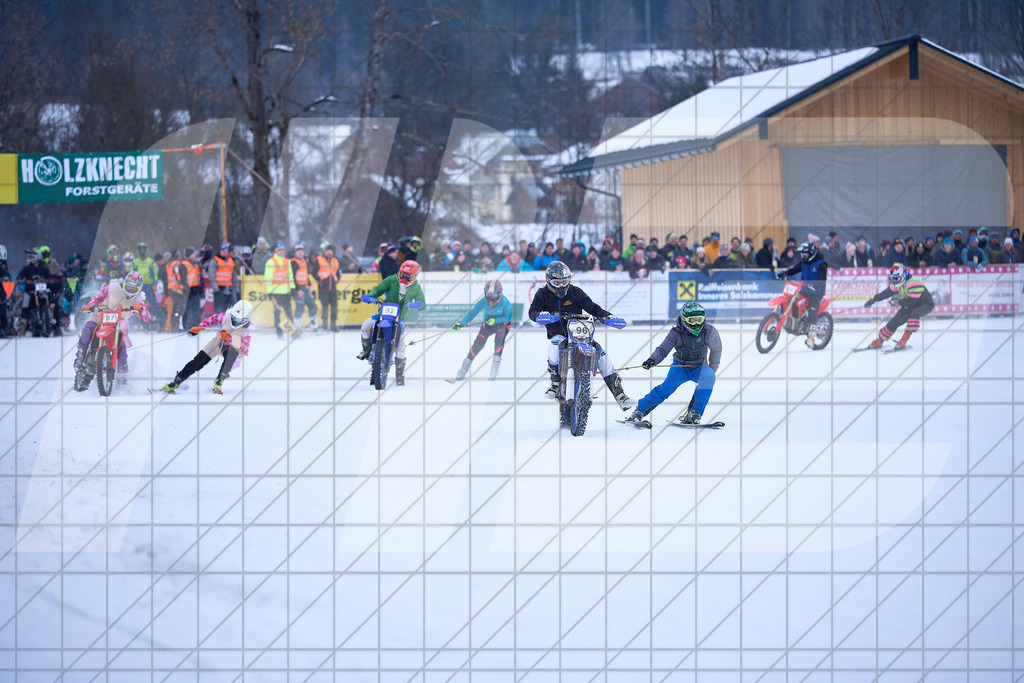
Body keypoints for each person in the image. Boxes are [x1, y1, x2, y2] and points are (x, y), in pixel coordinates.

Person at [528, 262, 634, 410]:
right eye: (556, 282)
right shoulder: (542, 293)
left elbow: (593, 307)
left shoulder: (575, 292)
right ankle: (555, 383)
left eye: (564, 282)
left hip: (580, 334)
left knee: (601, 354)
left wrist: (608, 317)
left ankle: (620, 395)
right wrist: (540, 316)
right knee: (554, 345)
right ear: (549, 281)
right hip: (558, 335)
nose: (560, 286)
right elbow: (532, 311)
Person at [625, 301, 722, 427]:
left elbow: (716, 351)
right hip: (680, 367)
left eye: (699, 319)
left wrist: (711, 373)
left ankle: (694, 413)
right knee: (666, 389)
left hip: (699, 367)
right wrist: (652, 360)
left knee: (709, 377)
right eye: (692, 320)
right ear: (684, 319)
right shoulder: (675, 333)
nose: (697, 323)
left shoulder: (710, 332)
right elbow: (663, 349)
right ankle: (639, 411)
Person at [75, 272, 151, 387]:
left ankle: (122, 379)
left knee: (122, 350)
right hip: (99, 315)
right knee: (87, 330)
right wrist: (90, 305)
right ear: (124, 283)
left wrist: (141, 310)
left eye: (133, 288)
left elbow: (147, 318)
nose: (130, 290)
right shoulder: (112, 287)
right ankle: (80, 356)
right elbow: (98, 296)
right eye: (129, 286)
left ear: (139, 289)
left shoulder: (138, 299)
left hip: (118, 324)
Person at [356, 260, 424, 386]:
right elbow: (377, 290)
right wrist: (370, 297)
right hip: (384, 313)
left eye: (408, 276)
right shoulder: (391, 280)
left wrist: (417, 304)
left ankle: (400, 375)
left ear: (414, 276)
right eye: (402, 274)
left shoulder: (416, 287)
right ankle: (366, 350)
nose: (404, 278)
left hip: (400, 317)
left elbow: (422, 302)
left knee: (401, 344)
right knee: (366, 325)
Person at [162, 300, 253, 395]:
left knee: (232, 354)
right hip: (219, 341)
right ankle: (176, 381)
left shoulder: (248, 331)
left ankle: (219, 381)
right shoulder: (226, 316)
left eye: (238, 320)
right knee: (199, 360)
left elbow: (241, 350)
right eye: (234, 318)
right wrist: (200, 327)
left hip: (232, 349)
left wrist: (229, 338)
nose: (235, 321)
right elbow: (213, 319)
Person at [862, 263, 934, 350]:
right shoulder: (899, 283)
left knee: (914, 314)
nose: (895, 281)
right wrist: (873, 300)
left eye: (896, 278)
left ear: (903, 275)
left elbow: (911, 302)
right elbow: (886, 293)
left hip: (925, 304)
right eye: (893, 278)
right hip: (911, 303)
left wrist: (897, 301)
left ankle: (904, 339)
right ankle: (880, 340)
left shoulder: (913, 283)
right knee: (896, 320)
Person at [452, 280, 513, 380]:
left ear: (499, 294)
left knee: (498, 342)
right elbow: (472, 312)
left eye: (493, 295)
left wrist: (496, 320)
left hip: (503, 324)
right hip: (488, 324)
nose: (491, 297)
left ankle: (494, 370)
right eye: (489, 294)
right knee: (477, 344)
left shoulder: (505, 302)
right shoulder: (483, 301)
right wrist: (461, 323)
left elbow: (508, 318)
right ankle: (463, 370)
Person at [777, 242, 828, 349]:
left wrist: (818, 285)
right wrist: (785, 273)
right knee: (793, 300)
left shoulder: (820, 264)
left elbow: (823, 278)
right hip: (804, 289)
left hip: (816, 292)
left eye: (805, 254)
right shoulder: (803, 263)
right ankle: (795, 322)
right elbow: (794, 270)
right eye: (802, 254)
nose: (803, 256)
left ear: (812, 253)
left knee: (813, 312)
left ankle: (811, 338)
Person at [264, 242, 300, 339]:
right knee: (277, 314)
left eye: (283, 250)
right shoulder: (270, 262)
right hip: (276, 292)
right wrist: (270, 291)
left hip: (286, 292)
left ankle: (292, 332)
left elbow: (290, 276)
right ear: (276, 251)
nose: (282, 252)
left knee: (289, 313)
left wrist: (292, 288)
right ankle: (279, 332)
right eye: (280, 250)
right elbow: (268, 278)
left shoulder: (286, 261)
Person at [289, 243, 318, 331]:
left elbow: (305, 275)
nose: (301, 253)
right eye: (299, 251)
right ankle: (297, 328)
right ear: (295, 252)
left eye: (302, 251)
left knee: (313, 306)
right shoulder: (293, 262)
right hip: (298, 288)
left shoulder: (304, 261)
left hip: (304, 287)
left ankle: (314, 326)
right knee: (300, 307)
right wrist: (298, 290)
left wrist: (309, 285)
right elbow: (292, 277)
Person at [206, 242, 239, 313]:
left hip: (229, 289)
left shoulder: (230, 261)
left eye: (226, 251)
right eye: (223, 251)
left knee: (228, 309)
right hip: (219, 289)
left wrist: (236, 288)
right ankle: (219, 323)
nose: (225, 253)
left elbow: (234, 275)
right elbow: (211, 275)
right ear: (219, 251)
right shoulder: (215, 261)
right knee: (219, 308)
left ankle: (227, 322)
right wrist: (215, 288)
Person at [316, 244, 341, 331]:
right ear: (324, 251)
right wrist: (319, 281)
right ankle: (325, 325)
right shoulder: (319, 259)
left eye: (330, 250)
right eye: (327, 250)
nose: (329, 252)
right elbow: (313, 272)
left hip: (333, 288)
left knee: (334, 306)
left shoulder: (335, 260)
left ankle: (333, 325)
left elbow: (338, 272)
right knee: (325, 306)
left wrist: (337, 279)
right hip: (323, 288)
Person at [0, 245, 9, 337]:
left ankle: (3, 329)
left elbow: (7, 275)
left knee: (3, 310)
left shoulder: (3, 266)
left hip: (2, 292)